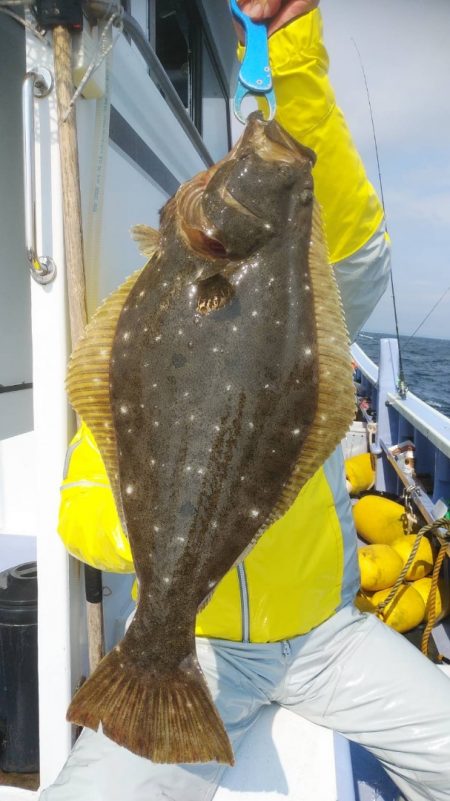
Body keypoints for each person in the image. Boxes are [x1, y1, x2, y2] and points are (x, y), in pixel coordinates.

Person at [41, 2, 450, 800]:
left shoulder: (302, 291)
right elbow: (80, 516)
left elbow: (358, 244)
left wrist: (289, 49)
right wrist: (170, 525)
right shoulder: (145, 334)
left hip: (325, 638)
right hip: (192, 643)